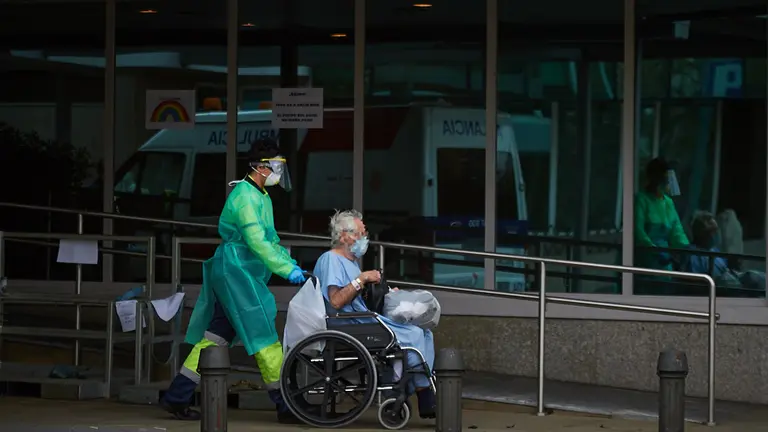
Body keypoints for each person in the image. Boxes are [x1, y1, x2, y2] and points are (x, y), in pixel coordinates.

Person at [160, 138, 308, 423]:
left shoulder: (260, 195)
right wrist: (286, 269)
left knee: (215, 338)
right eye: (276, 166)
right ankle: (286, 405)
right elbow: (256, 241)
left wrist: (291, 265)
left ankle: (177, 396)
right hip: (238, 272)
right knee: (263, 332)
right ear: (262, 168)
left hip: (242, 271)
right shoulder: (244, 196)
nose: (279, 172)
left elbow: (270, 240)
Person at [312, 210, 437, 419]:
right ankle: (407, 389)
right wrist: (362, 279)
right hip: (345, 324)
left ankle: (419, 388)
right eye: (360, 233)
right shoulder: (330, 260)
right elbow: (336, 300)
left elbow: (359, 297)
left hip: (361, 319)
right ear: (344, 235)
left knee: (425, 333)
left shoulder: (350, 263)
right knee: (413, 335)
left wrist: (385, 293)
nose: (364, 238)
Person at [635, 157, 689, 271]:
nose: (666, 183)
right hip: (643, 259)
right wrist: (652, 250)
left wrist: (685, 248)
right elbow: (637, 230)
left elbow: (676, 230)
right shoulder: (641, 199)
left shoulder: (668, 202)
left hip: (664, 261)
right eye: (662, 179)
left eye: (667, 179)